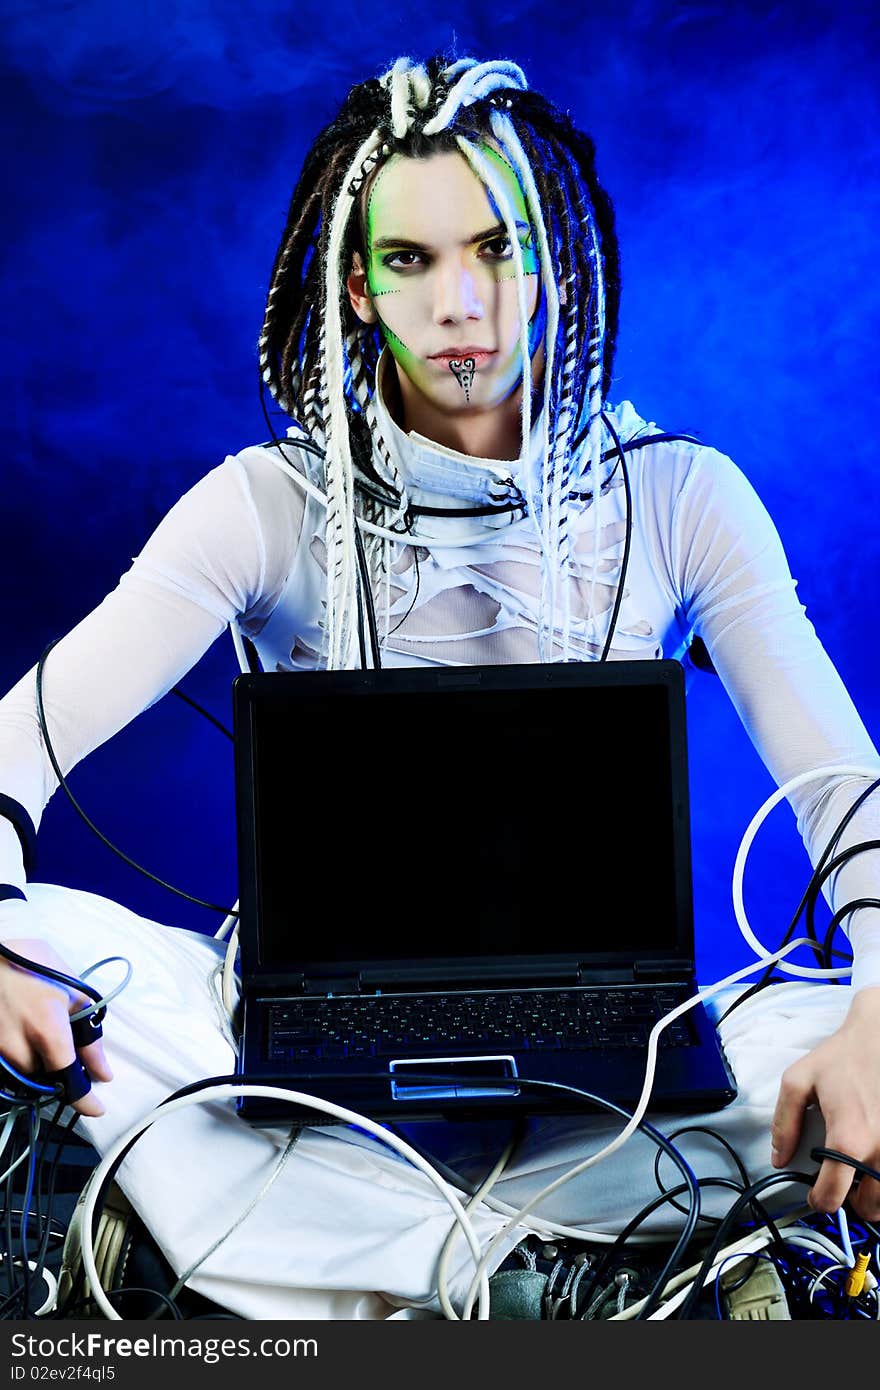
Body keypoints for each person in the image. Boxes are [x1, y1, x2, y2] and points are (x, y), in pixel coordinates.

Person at [0, 53, 879, 1318]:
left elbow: (846, 794)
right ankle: (551, 1271)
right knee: (42, 949)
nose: (459, 301)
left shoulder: (682, 496)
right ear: (355, 285)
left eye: (494, 247)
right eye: (408, 259)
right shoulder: (266, 504)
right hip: (318, 1079)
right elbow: (14, 750)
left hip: (616, 1063)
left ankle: (387, 1266)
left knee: (827, 1030)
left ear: (552, 264)